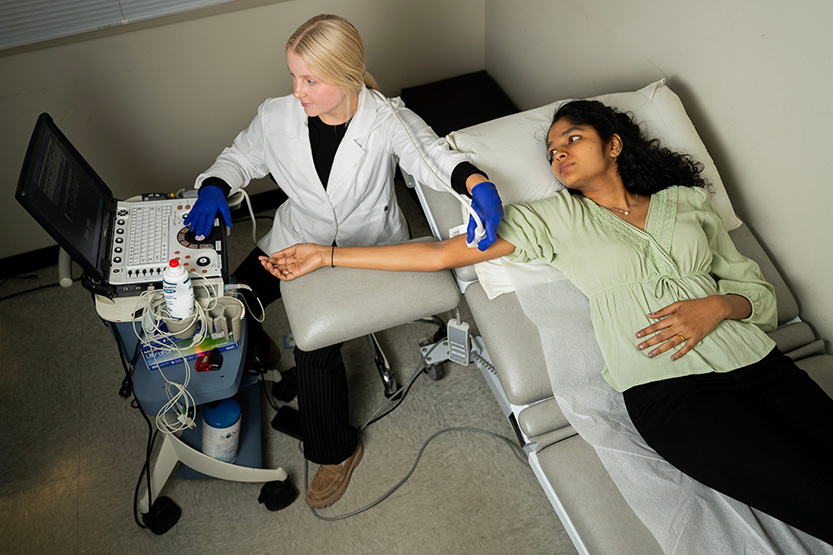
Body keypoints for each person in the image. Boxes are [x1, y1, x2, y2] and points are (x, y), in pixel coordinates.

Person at [261, 99, 833, 544]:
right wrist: (326, 255)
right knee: (815, 496)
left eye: (572, 139)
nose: (557, 154)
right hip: (672, 391)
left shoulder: (686, 201)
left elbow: (755, 294)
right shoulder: (553, 219)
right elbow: (440, 254)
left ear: (614, 145)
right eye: (552, 150)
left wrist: (718, 306)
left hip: (760, 365)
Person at [183, 14, 504, 509]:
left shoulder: (386, 119)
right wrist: (213, 186)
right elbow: (240, 158)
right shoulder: (278, 115)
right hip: (298, 237)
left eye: (310, 80)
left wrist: (475, 182)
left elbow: (430, 157)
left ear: (348, 76)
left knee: (315, 345)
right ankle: (265, 354)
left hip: (366, 251)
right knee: (231, 301)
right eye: (293, 76)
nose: (298, 91)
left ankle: (336, 450)